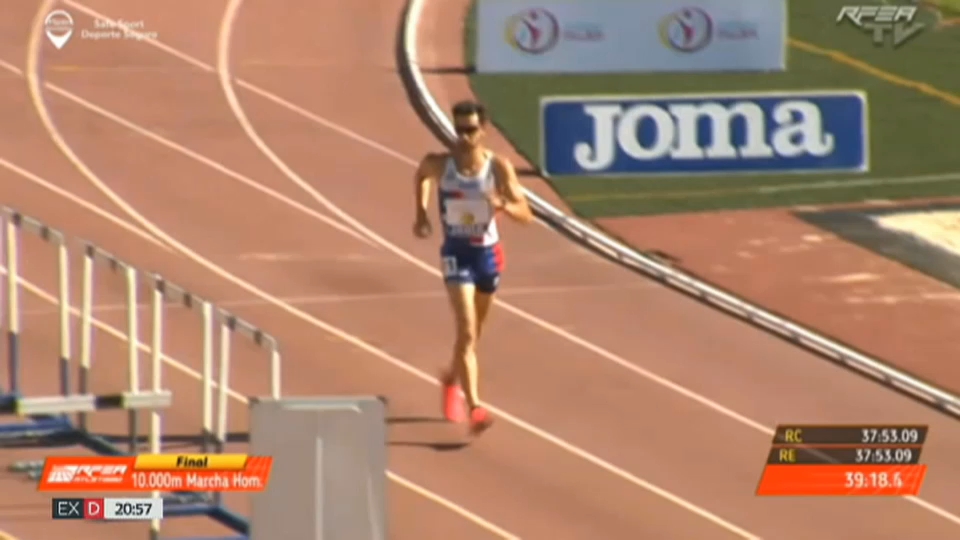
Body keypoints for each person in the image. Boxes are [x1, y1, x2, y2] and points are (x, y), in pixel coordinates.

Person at [412, 100, 534, 435]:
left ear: (483, 130)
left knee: (473, 335)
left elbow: (527, 215)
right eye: (459, 129)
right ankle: (476, 406)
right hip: (456, 254)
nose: (463, 136)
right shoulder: (441, 164)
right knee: (465, 330)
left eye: (470, 130)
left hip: (488, 257)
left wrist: (505, 206)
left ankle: (451, 377)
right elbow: (421, 174)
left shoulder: (498, 168)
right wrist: (421, 213)